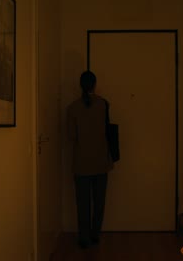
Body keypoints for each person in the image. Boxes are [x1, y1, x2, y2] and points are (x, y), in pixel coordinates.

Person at [67, 70, 114, 249]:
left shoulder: (72, 108)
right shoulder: (104, 104)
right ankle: (95, 235)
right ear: (94, 85)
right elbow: (107, 131)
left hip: (81, 162)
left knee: (83, 202)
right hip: (101, 161)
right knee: (99, 201)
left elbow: (71, 137)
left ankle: (84, 237)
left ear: (80, 85)